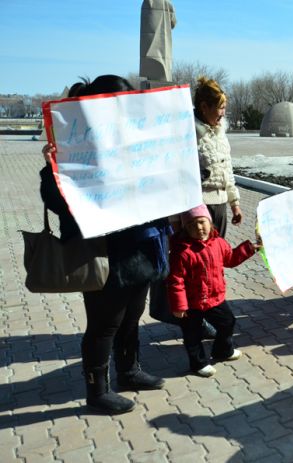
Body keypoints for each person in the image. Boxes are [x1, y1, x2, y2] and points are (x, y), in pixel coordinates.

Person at [40, 75, 171, 414]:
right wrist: (51, 167)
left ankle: (129, 371)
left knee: (131, 316)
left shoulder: (137, 141)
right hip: (103, 253)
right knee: (104, 323)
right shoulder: (76, 144)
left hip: (139, 248)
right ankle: (97, 390)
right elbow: (57, 201)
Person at [167, 205, 259, 377]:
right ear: (186, 229)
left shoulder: (218, 243)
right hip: (190, 304)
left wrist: (250, 248)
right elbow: (175, 280)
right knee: (192, 336)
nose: (199, 228)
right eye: (192, 225)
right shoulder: (182, 252)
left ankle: (222, 350)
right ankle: (198, 363)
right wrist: (179, 305)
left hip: (214, 299)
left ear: (210, 223)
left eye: (202, 222)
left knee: (228, 322)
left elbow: (230, 259)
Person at [194, 76, 243, 239]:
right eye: (220, 108)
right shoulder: (190, 135)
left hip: (220, 207)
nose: (223, 113)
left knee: (217, 257)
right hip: (198, 210)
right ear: (204, 107)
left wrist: (234, 204)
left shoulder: (220, 134)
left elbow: (227, 171)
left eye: (224, 108)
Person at [140, 0, 177, 82]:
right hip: (163, 50)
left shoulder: (147, 2)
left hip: (148, 51)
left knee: (151, 77)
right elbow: (173, 23)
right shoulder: (167, 3)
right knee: (164, 77)